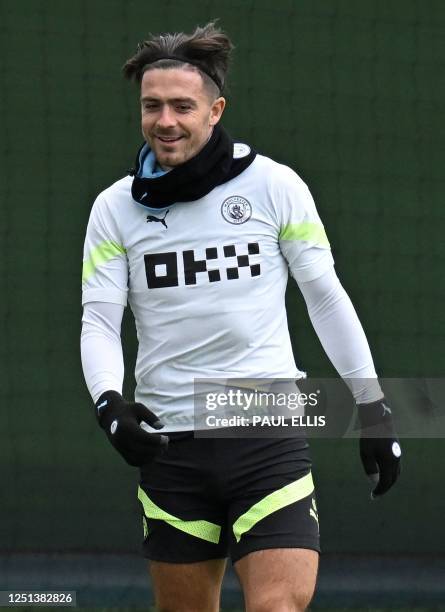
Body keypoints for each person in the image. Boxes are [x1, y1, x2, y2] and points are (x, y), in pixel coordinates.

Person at [81, 22, 401, 612]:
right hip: (169, 443)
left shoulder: (275, 185)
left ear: (215, 109)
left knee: (278, 607)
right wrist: (109, 404)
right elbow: (99, 320)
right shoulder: (113, 208)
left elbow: (325, 297)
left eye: (183, 106)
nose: (166, 121)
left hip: (265, 429)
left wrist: (373, 407)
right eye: (152, 106)